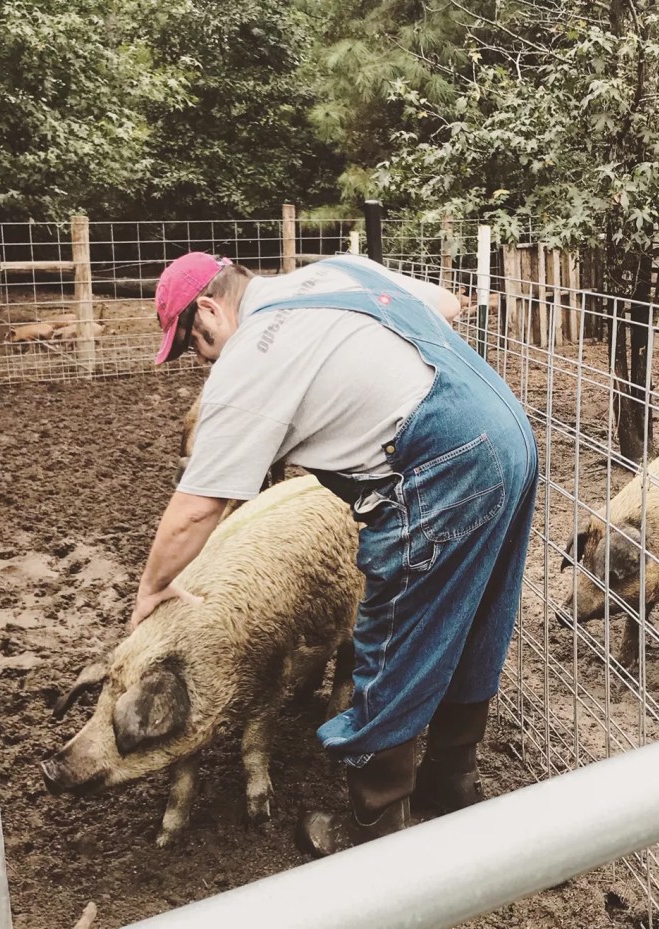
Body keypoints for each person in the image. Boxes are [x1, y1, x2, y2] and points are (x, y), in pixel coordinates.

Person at [131, 250, 539, 858]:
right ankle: (451, 779)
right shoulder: (334, 272)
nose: (203, 358)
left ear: (210, 308)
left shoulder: (253, 355)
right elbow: (447, 306)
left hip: (441, 458)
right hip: (507, 430)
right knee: (477, 612)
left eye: (194, 342)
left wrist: (152, 588)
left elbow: (197, 507)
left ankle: (372, 828)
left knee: (391, 629)